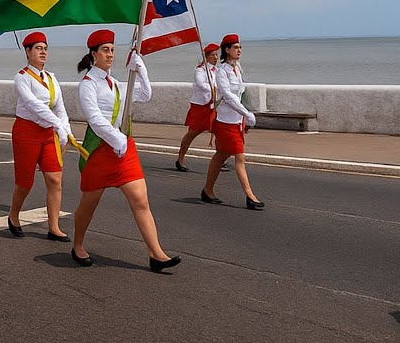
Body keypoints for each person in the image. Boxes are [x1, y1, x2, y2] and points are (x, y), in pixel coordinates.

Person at [71, 29, 180, 272]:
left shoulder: (117, 84)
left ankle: (156, 254)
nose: (110, 54)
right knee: (89, 203)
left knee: (140, 199)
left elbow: (145, 95)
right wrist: (117, 139)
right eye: (105, 50)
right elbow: (95, 119)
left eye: (112, 50)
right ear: (93, 54)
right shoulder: (88, 84)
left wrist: (141, 70)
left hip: (124, 149)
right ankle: (77, 245)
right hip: (100, 150)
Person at [8, 32, 73, 241]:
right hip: (26, 132)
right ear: (27, 52)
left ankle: (54, 227)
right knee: (25, 183)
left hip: (47, 133)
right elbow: (34, 105)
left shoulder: (52, 78)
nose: (43, 52)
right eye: (38, 48)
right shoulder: (22, 77)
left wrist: (66, 129)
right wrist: (57, 124)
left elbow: (59, 106)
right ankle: (14, 215)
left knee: (55, 179)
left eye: (45, 48)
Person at [200, 35, 263, 209]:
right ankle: (250, 196)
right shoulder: (222, 71)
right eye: (235, 47)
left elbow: (241, 95)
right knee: (240, 157)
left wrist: (244, 117)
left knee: (221, 156)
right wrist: (246, 113)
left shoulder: (237, 69)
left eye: (240, 47)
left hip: (237, 121)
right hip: (225, 122)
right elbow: (227, 96)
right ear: (227, 50)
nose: (239, 50)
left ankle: (207, 190)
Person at [174, 43, 220, 173]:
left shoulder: (217, 71)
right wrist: (213, 88)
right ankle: (180, 159)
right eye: (213, 55)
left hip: (212, 106)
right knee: (192, 133)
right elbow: (201, 84)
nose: (216, 58)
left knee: (219, 131)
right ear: (206, 57)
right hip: (200, 107)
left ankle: (220, 159)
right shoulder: (200, 70)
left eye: (216, 55)